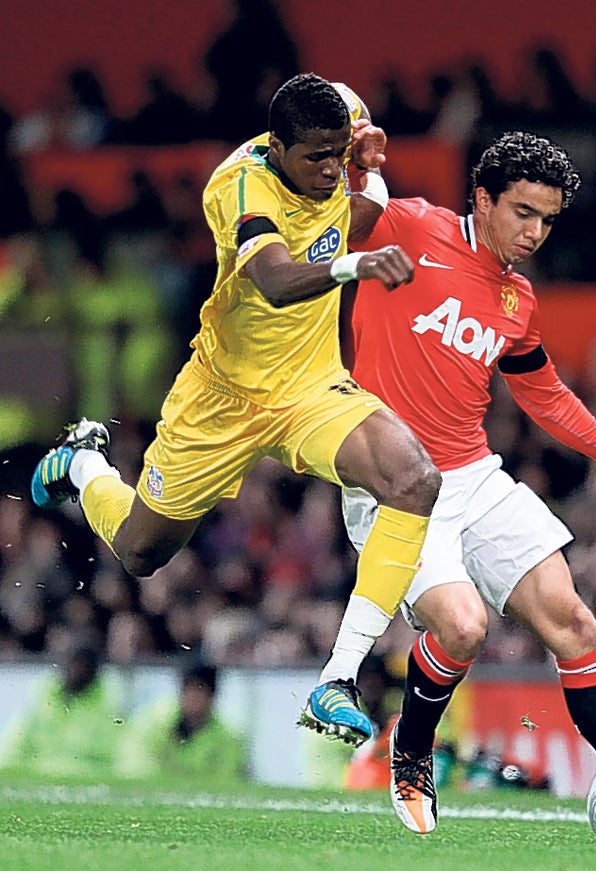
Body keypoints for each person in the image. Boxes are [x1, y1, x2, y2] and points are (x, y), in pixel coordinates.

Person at [318, 130, 596, 840]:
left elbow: (548, 399)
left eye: (547, 219)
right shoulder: (410, 223)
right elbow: (330, 214)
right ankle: (411, 750)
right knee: (463, 626)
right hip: (392, 482)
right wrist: (354, 163)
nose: (535, 232)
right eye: (522, 213)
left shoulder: (518, 299)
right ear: (483, 198)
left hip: (474, 475)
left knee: (572, 621)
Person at [30, 74, 441, 746]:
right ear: (276, 146)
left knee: (415, 477)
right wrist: (355, 268)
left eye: (338, 151)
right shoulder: (238, 186)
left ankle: (336, 677)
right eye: (316, 157)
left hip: (309, 386)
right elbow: (278, 280)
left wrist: (367, 163)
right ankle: (82, 464)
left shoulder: (339, 123)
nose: (329, 167)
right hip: (222, 397)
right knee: (140, 552)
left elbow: (351, 205)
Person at [0, 641, 122, 776]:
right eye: (74, 663)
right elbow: (13, 748)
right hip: (39, 775)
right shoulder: (40, 703)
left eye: (84, 665)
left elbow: (122, 754)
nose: (77, 670)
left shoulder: (110, 707)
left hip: (90, 777)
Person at [117, 663, 247, 783]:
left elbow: (226, 781)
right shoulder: (155, 722)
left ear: (212, 696)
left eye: (199, 691)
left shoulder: (227, 739)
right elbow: (135, 766)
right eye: (188, 690)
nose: (193, 698)